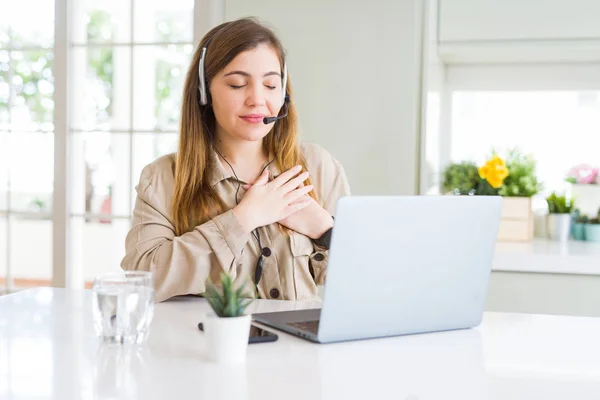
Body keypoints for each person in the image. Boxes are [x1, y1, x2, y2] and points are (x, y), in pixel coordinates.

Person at [121, 17, 350, 303]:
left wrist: (325, 229)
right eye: (238, 84)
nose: (257, 99)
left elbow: (364, 282)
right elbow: (143, 279)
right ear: (205, 92)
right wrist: (242, 219)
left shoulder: (318, 167)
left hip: (300, 348)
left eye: (270, 84)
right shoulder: (163, 177)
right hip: (207, 345)